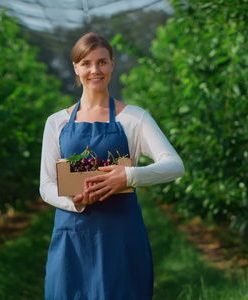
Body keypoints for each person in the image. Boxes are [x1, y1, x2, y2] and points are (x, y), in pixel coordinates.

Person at [39, 32, 185, 299]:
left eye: (102, 62)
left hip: (121, 237)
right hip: (73, 236)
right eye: (86, 63)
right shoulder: (56, 123)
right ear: (76, 67)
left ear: (112, 64)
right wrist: (76, 201)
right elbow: (47, 185)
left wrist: (128, 177)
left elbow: (175, 165)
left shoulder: (134, 118)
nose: (95, 70)